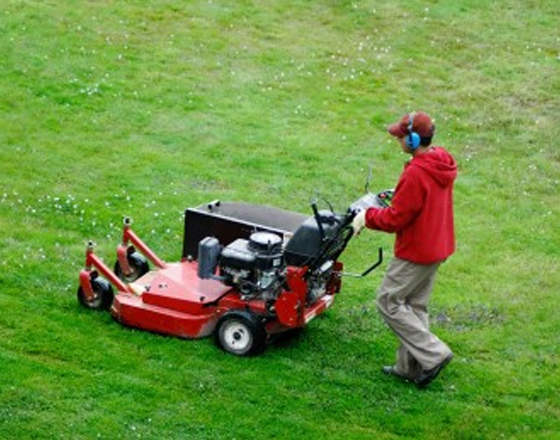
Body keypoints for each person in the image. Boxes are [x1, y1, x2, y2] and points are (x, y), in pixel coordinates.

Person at [352, 111, 457, 388]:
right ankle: (409, 367)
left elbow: (397, 218)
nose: (398, 140)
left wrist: (367, 217)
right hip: (437, 246)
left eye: (400, 136)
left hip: (415, 251)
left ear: (412, 139)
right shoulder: (440, 162)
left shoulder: (416, 173)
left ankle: (434, 354)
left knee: (388, 301)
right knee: (415, 305)